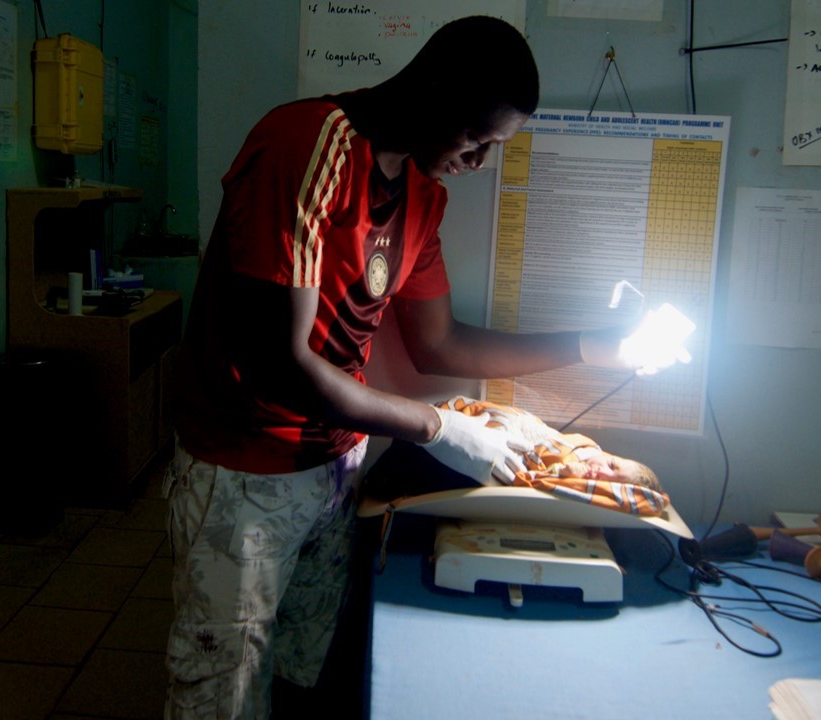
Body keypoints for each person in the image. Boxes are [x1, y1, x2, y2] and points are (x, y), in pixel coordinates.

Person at [163, 16, 686, 719]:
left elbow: (443, 346)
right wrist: (436, 428)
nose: (478, 164)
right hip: (243, 467)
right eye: (477, 140)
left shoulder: (418, 195)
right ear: (434, 91)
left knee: (298, 667)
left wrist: (595, 346)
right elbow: (279, 365)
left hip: (333, 466)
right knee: (221, 688)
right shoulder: (307, 145)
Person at [365, 396, 669, 516]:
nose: (602, 474)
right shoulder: (579, 446)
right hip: (454, 425)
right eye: (612, 465)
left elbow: (647, 501)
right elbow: (534, 431)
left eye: (612, 483)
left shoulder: (578, 485)